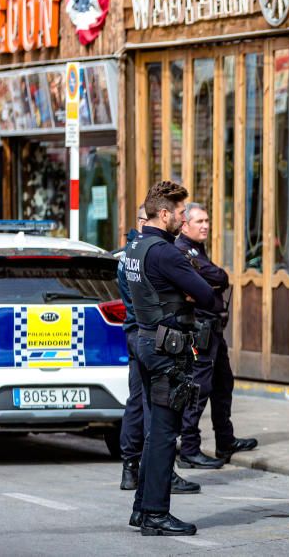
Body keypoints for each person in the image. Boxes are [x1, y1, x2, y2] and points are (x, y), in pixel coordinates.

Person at [124, 181, 215, 536]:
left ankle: (141, 510)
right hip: (167, 349)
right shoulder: (166, 253)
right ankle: (155, 514)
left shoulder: (135, 247)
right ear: (164, 214)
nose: (183, 219)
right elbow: (207, 294)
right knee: (164, 434)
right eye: (180, 213)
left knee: (154, 432)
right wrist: (187, 292)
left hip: (146, 340)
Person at [116, 205, 199, 494]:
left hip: (135, 333)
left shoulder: (128, 256)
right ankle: (159, 474)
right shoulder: (150, 255)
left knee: (137, 401)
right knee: (157, 409)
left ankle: (131, 469)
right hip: (152, 335)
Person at [176, 203, 258, 469]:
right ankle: (189, 448)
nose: (205, 225)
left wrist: (215, 280)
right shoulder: (185, 250)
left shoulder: (196, 249)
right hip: (201, 330)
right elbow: (216, 276)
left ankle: (225, 440)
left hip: (213, 329)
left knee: (223, 383)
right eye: (199, 221)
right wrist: (218, 277)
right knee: (199, 388)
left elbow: (212, 280)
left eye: (207, 220)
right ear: (184, 225)